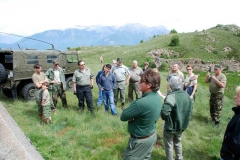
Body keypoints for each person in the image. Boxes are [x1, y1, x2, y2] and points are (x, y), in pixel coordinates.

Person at [120, 69, 162, 159]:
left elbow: (123, 116)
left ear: (149, 85)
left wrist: (133, 116)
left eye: (142, 81)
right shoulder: (157, 97)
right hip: (151, 136)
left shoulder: (141, 103)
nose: (139, 82)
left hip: (140, 141)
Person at [161, 76, 193, 160]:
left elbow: (164, 113)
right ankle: (179, 158)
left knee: (169, 144)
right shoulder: (187, 96)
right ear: (181, 85)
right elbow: (190, 111)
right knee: (178, 142)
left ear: (171, 86)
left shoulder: (172, 96)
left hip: (171, 126)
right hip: (182, 125)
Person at [220, 86, 240, 160]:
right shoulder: (238, 113)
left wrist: (227, 151)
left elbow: (237, 142)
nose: (235, 97)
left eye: (238, 95)